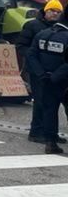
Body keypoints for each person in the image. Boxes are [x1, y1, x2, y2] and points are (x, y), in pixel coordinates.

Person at [20, 0, 66, 143]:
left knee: (52, 104)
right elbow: (22, 46)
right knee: (40, 101)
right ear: (46, 10)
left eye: (58, 12)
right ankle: (36, 132)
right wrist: (37, 65)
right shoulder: (33, 26)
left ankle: (50, 134)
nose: (55, 14)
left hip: (54, 73)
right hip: (37, 71)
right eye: (52, 11)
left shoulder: (60, 30)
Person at [29, 17, 68, 153]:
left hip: (45, 79)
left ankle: (50, 143)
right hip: (63, 80)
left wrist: (42, 74)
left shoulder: (42, 34)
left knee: (49, 111)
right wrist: (55, 76)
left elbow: (31, 55)